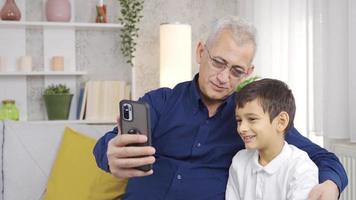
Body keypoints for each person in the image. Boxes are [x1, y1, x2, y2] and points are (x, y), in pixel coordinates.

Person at [93, 16, 348, 199]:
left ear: (248, 72)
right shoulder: (160, 102)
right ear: (201, 52)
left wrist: (331, 184)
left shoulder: (252, 119)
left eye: (236, 70)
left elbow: (323, 158)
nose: (223, 77)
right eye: (218, 62)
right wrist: (109, 154)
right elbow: (106, 144)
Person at [225, 78, 319, 200]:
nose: (241, 128)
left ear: (281, 122)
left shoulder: (301, 168)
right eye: (239, 120)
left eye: (252, 119)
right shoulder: (239, 161)